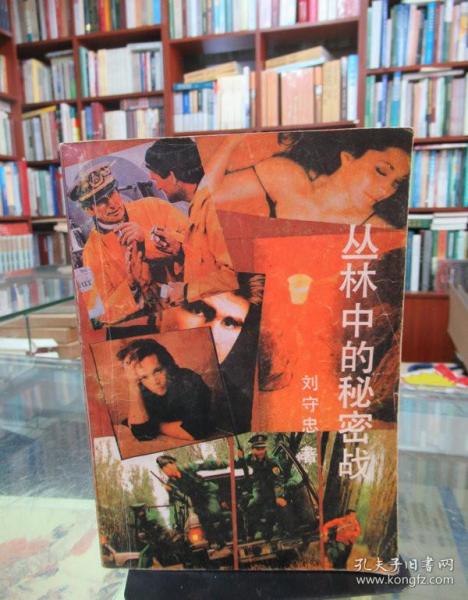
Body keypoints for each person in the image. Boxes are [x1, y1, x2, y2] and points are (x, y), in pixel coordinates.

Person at [207, 130, 411, 228]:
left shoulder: (376, 228)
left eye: (396, 183)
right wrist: (230, 141)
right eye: (381, 171)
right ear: (347, 158)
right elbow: (206, 197)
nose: (386, 190)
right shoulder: (286, 176)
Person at [69, 162, 188, 324]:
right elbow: (97, 313)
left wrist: (147, 241)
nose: (113, 204)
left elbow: (200, 243)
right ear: (89, 210)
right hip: (148, 324)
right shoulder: (90, 254)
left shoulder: (155, 206)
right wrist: (131, 286)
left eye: (112, 193)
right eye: (101, 201)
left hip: (190, 305)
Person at [159, 273, 264, 434]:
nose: (211, 335)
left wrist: (156, 426)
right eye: (198, 310)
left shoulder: (239, 411)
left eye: (230, 323)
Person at [144, 138, 238, 303]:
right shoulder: (198, 206)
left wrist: (187, 291)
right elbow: (208, 256)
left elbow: (235, 276)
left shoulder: (212, 209)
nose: (158, 187)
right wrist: (179, 247)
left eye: (156, 180)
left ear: (172, 176)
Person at [117, 338, 213, 442]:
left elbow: (197, 430)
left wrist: (155, 426)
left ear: (168, 365)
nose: (155, 382)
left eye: (157, 371)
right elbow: (141, 433)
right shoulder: (142, 387)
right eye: (144, 377)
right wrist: (132, 383)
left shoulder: (188, 380)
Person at [156, 454, 231, 550]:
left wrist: (226, 463)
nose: (165, 471)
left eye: (166, 467)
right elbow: (175, 502)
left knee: (213, 512)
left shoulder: (186, 468)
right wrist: (172, 491)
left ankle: (230, 517)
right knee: (204, 523)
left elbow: (205, 464)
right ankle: (220, 543)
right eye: (163, 469)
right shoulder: (171, 484)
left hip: (207, 493)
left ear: (173, 464)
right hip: (197, 501)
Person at [239, 434, 289, 540]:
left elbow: (278, 480)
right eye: (258, 449)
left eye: (262, 448)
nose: (261, 452)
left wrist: (278, 496)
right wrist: (240, 458)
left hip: (269, 491)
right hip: (256, 490)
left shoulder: (272, 461)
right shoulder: (248, 460)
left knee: (270, 509)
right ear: (252, 450)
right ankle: (250, 533)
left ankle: (273, 532)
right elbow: (239, 467)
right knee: (249, 506)